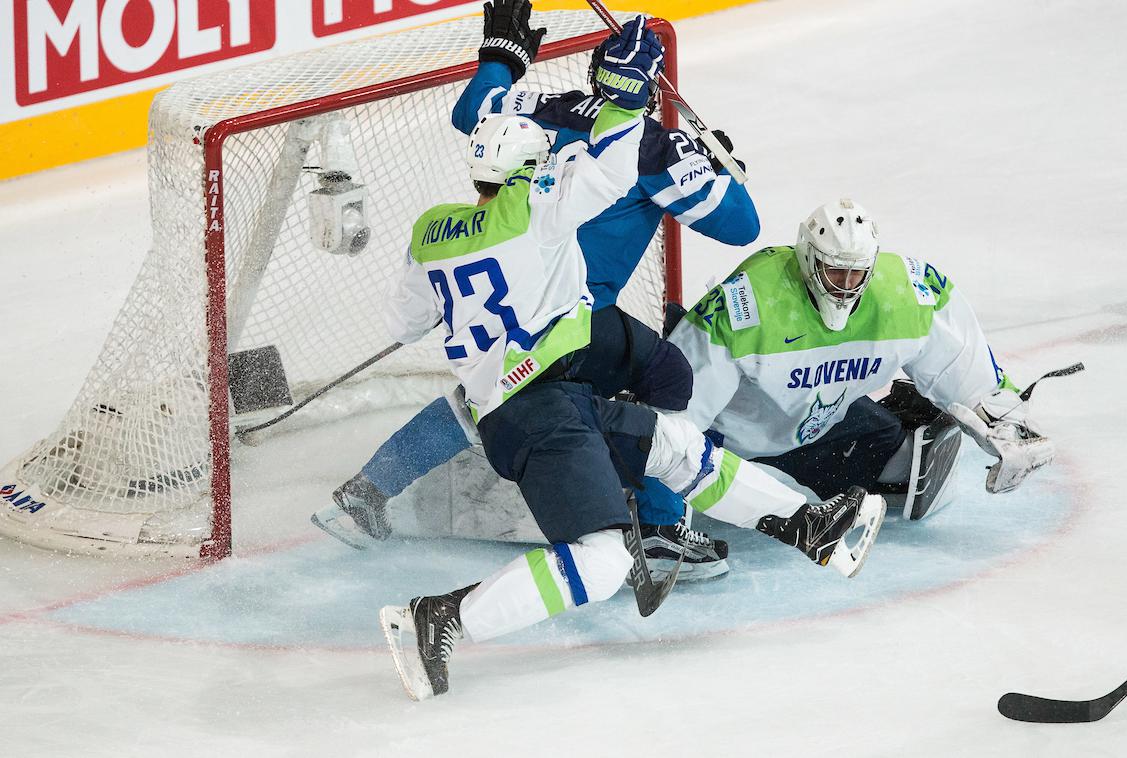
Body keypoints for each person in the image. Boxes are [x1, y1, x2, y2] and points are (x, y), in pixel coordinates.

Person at [375, 21, 884, 701]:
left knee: (676, 445)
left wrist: (502, 61)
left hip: (541, 390)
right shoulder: (540, 210)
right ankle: (437, 618)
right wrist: (635, 105)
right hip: (534, 409)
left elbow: (406, 321)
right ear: (526, 171)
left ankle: (806, 525)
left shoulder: (431, 230)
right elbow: (640, 180)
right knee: (603, 560)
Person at [313, 0, 759, 580]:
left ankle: (369, 488)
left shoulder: (546, 109)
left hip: (498, 299)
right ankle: (660, 528)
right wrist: (710, 165)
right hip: (571, 313)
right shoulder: (653, 147)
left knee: (493, 391)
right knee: (667, 375)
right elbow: (742, 225)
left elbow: (473, 111)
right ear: (647, 88)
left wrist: (503, 57)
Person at [636, 197, 1055, 527]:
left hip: (816, 422)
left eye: (857, 275)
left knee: (895, 449)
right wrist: (662, 517)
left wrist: (1002, 418)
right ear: (808, 258)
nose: (845, 287)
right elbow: (676, 410)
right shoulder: (749, 305)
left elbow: (959, 356)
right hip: (729, 440)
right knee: (680, 463)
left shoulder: (906, 292)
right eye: (835, 273)